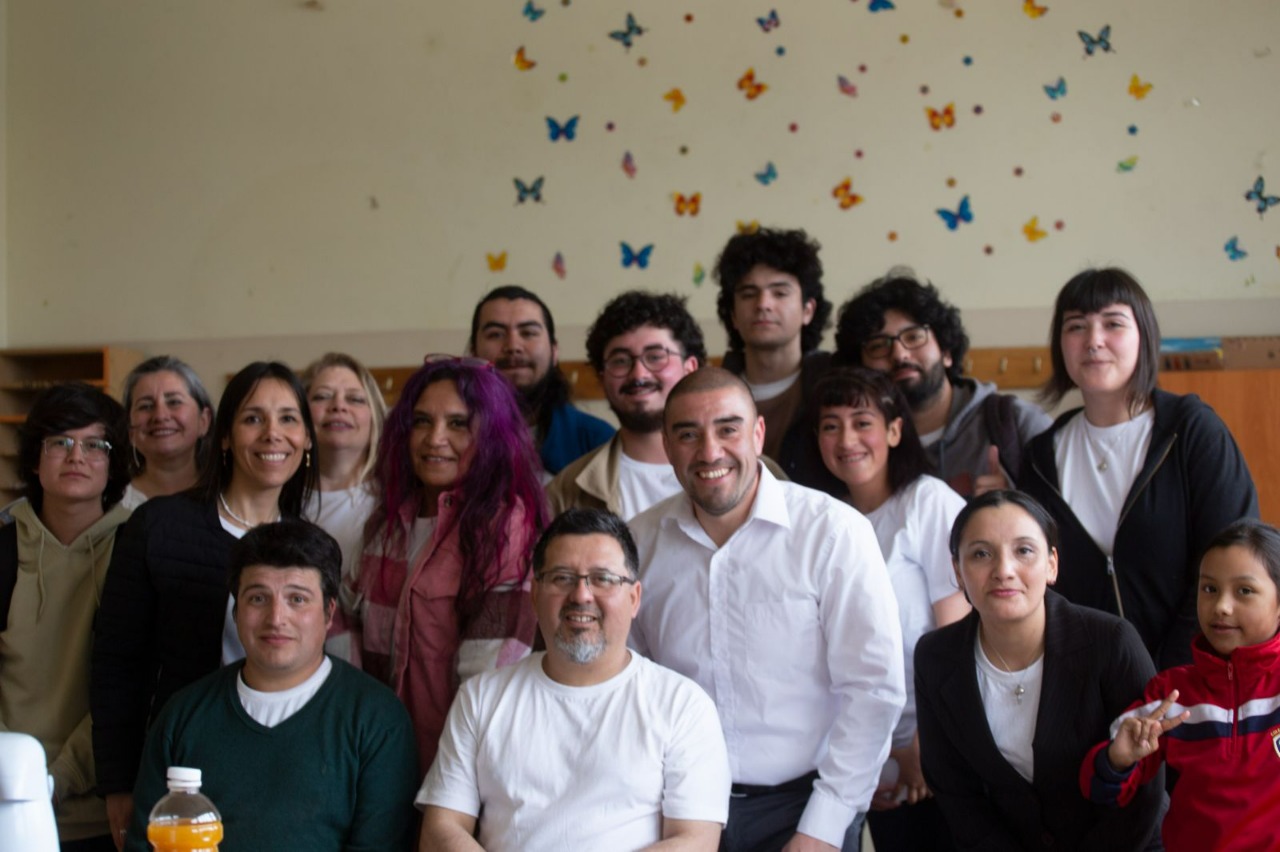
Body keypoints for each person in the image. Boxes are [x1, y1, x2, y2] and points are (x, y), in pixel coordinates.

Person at [629, 368, 905, 852]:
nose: (710, 451)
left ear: (758, 434)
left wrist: (823, 826)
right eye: (688, 434)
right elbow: (628, 686)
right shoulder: (636, 544)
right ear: (667, 447)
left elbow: (873, 688)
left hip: (805, 804)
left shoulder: (834, 533)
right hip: (676, 810)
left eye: (728, 429)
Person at [92, 362, 317, 850]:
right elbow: (116, 661)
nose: (272, 434)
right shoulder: (159, 526)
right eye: (253, 418)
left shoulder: (313, 547)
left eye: (288, 418)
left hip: (284, 762)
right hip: (178, 767)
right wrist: (117, 781)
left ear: (306, 439)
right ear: (222, 437)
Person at [418, 508, 730, 851]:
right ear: (535, 595)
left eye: (603, 579)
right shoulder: (481, 697)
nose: (581, 595)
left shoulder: (682, 705)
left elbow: (695, 841)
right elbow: (441, 828)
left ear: (634, 597)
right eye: (562, 577)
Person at [123, 520, 418, 852]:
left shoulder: (376, 720)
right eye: (258, 598)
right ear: (235, 612)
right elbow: (143, 845)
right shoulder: (182, 716)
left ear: (329, 611)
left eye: (297, 599)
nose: (276, 618)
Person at [1021, 268, 1258, 669]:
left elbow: (1238, 559)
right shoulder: (1039, 458)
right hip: (1088, 689)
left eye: (1113, 323)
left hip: (1197, 682)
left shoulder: (1191, 431)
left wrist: (1166, 680)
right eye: (1076, 326)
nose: (1093, 340)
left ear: (1143, 336)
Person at [915, 490, 1164, 851]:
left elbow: (1148, 788)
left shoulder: (1112, 642)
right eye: (981, 554)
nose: (1003, 570)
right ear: (957, 571)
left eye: (1024, 551)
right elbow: (956, 794)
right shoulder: (935, 657)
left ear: (1052, 565)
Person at [353, 356, 547, 775]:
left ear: (492, 436)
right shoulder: (385, 524)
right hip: (380, 761)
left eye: (458, 424)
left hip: (464, 768)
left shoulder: (506, 523)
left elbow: (491, 675)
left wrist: (452, 786)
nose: (434, 438)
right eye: (421, 422)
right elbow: (356, 651)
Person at [813, 367, 968, 851]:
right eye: (830, 425)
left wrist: (925, 746)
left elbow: (959, 639)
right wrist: (874, 761)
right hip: (873, 754)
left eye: (862, 422)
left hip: (946, 745)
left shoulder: (926, 502)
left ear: (894, 431)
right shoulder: (824, 521)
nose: (847, 439)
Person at [1081, 519, 1280, 852]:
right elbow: (1098, 789)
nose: (1221, 606)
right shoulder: (1171, 694)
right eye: (1209, 588)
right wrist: (1118, 760)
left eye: (1244, 591)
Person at [0, 383, 131, 851]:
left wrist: (55, 778)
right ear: (35, 461)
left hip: (100, 809)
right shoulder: (4, 545)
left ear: (113, 464)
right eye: (60, 442)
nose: (77, 456)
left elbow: (130, 687)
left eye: (95, 444)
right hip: (5, 800)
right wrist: (17, 777)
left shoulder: (137, 549)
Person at [833, 271, 1051, 497]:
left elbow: (1068, 520)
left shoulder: (1016, 422)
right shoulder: (852, 446)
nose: (899, 354)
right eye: (878, 346)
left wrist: (1019, 503)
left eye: (914, 337)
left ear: (946, 351)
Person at [547, 290, 704, 519]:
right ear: (602, 377)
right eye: (620, 361)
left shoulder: (748, 469)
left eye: (655, 356)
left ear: (689, 368)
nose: (638, 374)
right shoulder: (565, 492)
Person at [713, 227, 843, 494]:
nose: (763, 304)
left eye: (780, 293)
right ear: (733, 315)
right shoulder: (709, 395)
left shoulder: (837, 385)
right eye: (749, 294)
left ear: (808, 309)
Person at [468, 285, 614, 475]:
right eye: (495, 334)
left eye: (528, 333)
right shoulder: (446, 439)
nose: (513, 346)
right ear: (473, 353)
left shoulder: (596, 441)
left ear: (554, 351)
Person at [301, 352, 386, 659]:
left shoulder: (396, 501)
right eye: (323, 396)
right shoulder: (278, 499)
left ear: (374, 414)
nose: (339, 406)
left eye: (355, 399)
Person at [119, 356, 214, 510]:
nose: (160, 416)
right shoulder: (112, 502)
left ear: (204, 421)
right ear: (130, 429)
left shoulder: (229, 497)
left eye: (174, 402)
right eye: (145, 406)